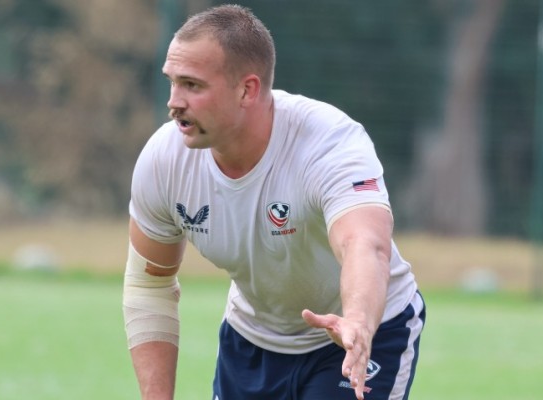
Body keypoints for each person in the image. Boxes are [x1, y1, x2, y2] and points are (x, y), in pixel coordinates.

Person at [122, 4, 425, 400]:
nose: (174, 101)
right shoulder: (165, 159)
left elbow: (364, 244)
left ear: (246, 89)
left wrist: (359, 322)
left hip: (358, 336)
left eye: (192, 85)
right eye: (172, 82)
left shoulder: (329, 143)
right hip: (252, 341)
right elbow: (150, 284)